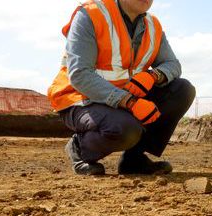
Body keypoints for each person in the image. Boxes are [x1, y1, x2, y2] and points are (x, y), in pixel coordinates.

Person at [47, 0, 195, 175]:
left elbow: (172, 64)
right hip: (80, 98)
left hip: (123, 98)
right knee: (126, 130)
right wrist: (130, 102)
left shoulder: (152, 26)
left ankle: (134, 160)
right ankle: (79, 149)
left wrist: (153, 76)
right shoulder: (91, 15)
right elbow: (80, 74)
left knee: (182, 90)